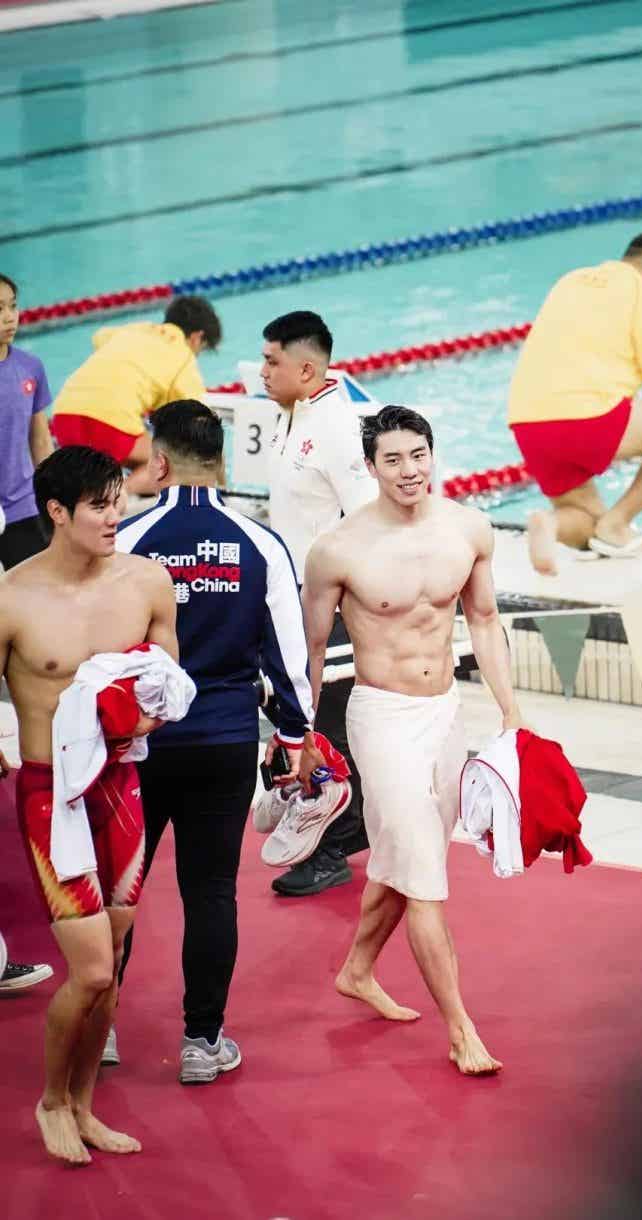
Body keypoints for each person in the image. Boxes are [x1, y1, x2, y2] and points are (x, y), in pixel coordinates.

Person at [303, 405, 524, 1074]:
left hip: (445, 715)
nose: (408, 470)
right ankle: (461, 1031)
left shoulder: (468, 528)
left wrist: (511, 712)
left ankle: (357, 969)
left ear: (433, 454)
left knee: (406, 859)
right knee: (425, 874)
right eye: (393, 459)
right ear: (370, 468)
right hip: (380, 717)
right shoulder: (338, 548)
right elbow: (311, 649)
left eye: (418, 455)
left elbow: (483, 620)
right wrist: (301, 736)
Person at [116, 399, 323, 1082]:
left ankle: (99, 1025)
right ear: (223, 460)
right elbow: (289, 657)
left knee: (119, 888)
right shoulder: (260, 543)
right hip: (224, 740)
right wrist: (293, 735)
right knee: (210, 891)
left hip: (138, 744)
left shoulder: (127, 538)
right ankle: (202, 1042)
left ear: (160, 462)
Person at [0, 445, 177, 1164]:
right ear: (56, 512)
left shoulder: (147, 582)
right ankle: (51, 1102)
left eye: (118, 501)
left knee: (116, 956)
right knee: (94, 970)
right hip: (53, 797)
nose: (116, 516)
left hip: (121, 786)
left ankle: (83, 1105)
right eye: (100, 506)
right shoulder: (12, 597)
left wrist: (144, 719)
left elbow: (170, 683)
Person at [507, 231, 642, 574]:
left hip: (527, 422)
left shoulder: (571, 281)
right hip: (584, 417)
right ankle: (619, 521)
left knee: (590, 527)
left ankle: (550, 525)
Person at [260, 310, 376, 897]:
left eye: (271, 360)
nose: (262, 371)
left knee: (325, 723)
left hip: (327, 605)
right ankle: (346, 831)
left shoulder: (337, 428)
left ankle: (332, 848)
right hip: (296, 600)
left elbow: (369, 519)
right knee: (307, 717)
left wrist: (341, 604)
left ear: (306, 369)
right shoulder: (291, 415)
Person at [51, 296, 221, 497]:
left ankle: (104, 494)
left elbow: (99, 336)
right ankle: (117, 495)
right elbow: (203, 427)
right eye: (202, 347)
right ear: (197, 337)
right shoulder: (184, 359)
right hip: (109, 425)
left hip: (64, 415)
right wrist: (219, 483)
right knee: (175, 465)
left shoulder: (134, 329)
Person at [0, 273, 54, 570]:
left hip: (23, 507)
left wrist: (53, 494)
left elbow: (40, 439)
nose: (10, 317)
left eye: (13, 306)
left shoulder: (30, 367)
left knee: (39, 590)